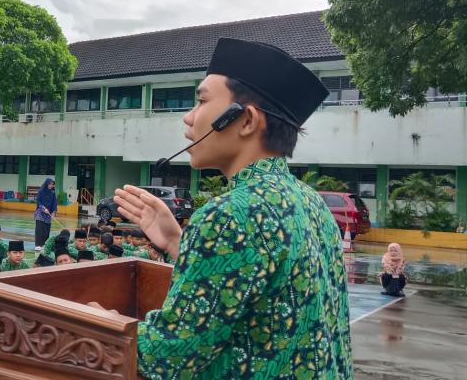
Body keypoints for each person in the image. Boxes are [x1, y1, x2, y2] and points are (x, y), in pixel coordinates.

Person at [109, 38, 351, 378]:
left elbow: (165, 355)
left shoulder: (228, 216)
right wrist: (180, 243)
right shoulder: (313, 203)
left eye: (202, 101)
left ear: (246, 120)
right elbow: (265, 300)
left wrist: (102, 323)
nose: (188, 118)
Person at [33, 177, 58, 251]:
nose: (51, 186)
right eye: (50, 184)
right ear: (47, 183)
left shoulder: (53, 192)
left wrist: (53, 212)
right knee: (39, 229)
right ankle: (38, 245)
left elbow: (54, 203)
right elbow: (39, 201)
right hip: (40, 212)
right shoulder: (41, 191)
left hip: (48, 213)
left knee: (46, 230)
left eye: (52, 184)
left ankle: (44, 244)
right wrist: (43, 208)